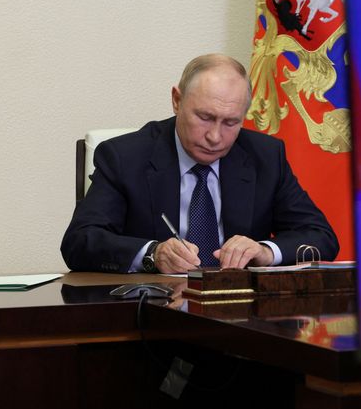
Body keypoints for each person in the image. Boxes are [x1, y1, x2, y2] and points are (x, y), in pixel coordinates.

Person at [61, 54, 338, 273]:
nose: (215, 137)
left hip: (240, 319)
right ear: (177, 101)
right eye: (204, 117)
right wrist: (152, 254)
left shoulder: (265, 156)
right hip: (154, 316)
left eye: (231, 122)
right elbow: (80, 241)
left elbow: (320, 236)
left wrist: (265, 251)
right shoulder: (125, 156)